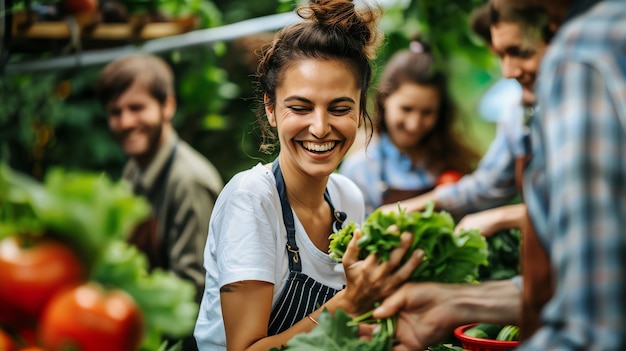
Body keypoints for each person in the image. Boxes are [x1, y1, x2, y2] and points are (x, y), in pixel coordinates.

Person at [365, 0, 626, 350]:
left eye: (518, 51)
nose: (508, 71)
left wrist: (504, 216)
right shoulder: (525, 109)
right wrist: (452, 302)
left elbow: (589, 323)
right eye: (500, 55)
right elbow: (569, 287)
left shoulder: (581, 62)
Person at [193, 1, 424, 350]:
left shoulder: (348, 198)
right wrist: (348, 304)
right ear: (271, 109)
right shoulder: (252, 200)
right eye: (300, 108)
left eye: (340, 108)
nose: (320, 127)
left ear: (361, 110)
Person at [95, 54, 224, 351]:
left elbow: (193, 292)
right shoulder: (135, 169)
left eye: (137, 108)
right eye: (116, 112)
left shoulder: (188, 180)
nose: (126, 121)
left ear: (167, 105)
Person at [339, 44, 481, 215]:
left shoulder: (452, 159)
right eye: (406, 109)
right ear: (384, 99)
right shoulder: (360, 169)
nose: (414, 124)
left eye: (427, 112)